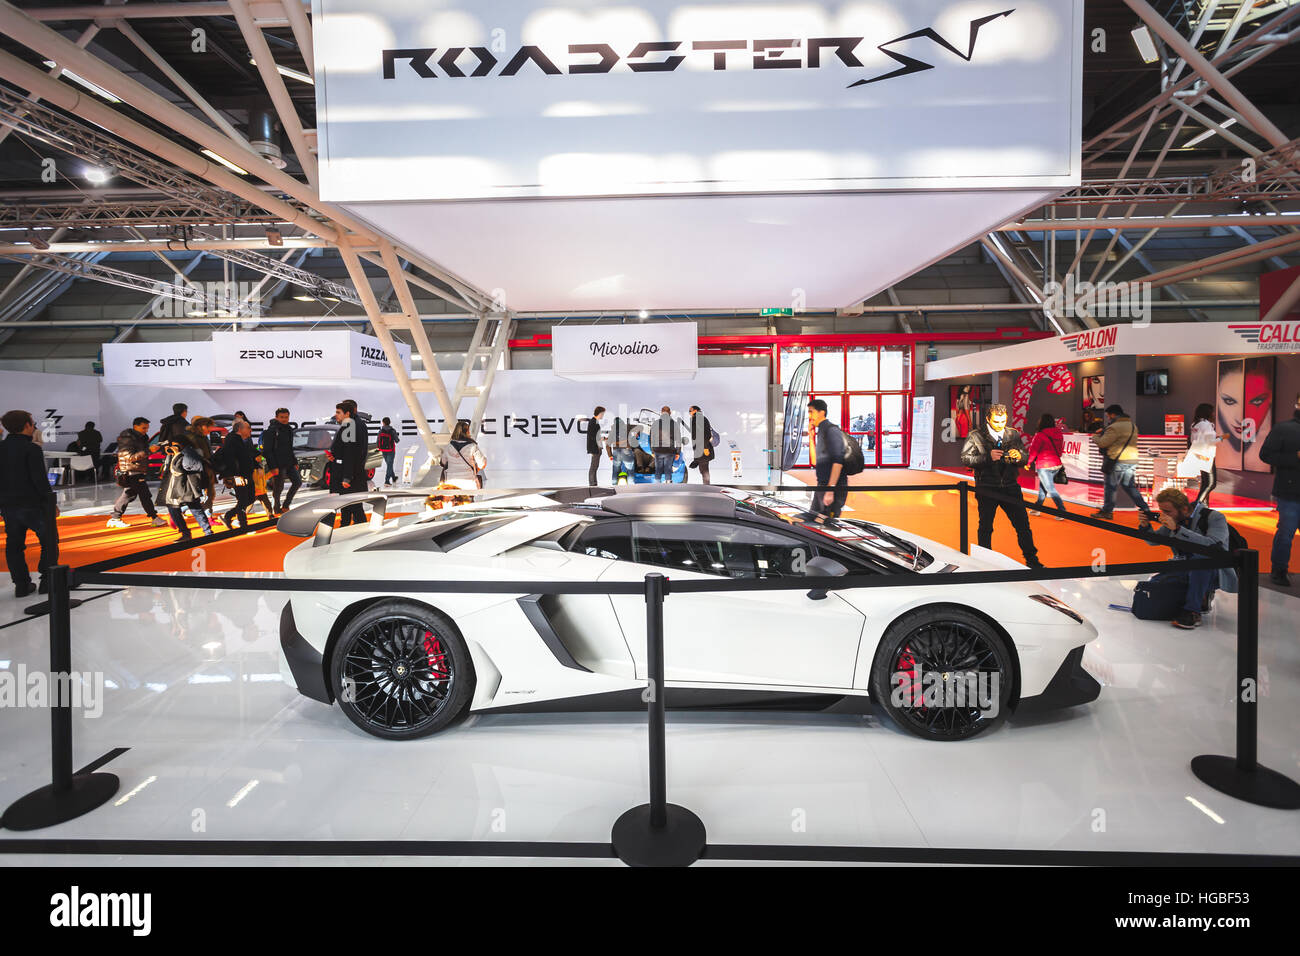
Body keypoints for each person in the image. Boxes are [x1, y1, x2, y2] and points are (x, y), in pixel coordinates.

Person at [1140, 488, 1239, 629]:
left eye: (1167, 511)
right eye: (1162, 510)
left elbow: (1213, 545)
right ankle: (1199, 596)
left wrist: (1178, 530)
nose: (1164, 515)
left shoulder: (1214, 517)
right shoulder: (1176, 518)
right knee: (1158, 583)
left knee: (1201, 560)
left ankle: (1192, 611)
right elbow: (1153, 541)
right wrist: (1145, 527)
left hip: (1214, 569)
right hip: (1185, 567)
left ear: (1185, 509)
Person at [959, 402, 1042, 569]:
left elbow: (1025, 458)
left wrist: (1019, 456)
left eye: (1003, 421)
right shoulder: (975, 435)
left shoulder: (1013, 434)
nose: (1000, 424)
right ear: (988, 419)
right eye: (996, 421)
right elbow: (966, 459)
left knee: (1023, 526)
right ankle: (984, 564)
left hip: (1011, 486)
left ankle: (1033, 562)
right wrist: (988, 457)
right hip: (987, 487)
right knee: (986, 527)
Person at [0, 409, 60, 597]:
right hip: (34, 505)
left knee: (14, 545)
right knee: (49, 541)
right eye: (32, 423)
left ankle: (21, 584)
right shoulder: (32, 449)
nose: (34, 426)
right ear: (27, 425)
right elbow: (40, 480)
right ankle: (47, 581)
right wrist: (51, 503)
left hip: (8, 505)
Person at [1258, 390, 1300, 587]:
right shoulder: (1284, 429)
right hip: (1290, 492)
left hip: (1289, 491)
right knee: (1286, 533)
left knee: (1285, 533)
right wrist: (1295, 458)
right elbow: (1265, 455)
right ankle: (1279, 570)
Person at [1092, 404, 1156, 521]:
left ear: (1113, 414)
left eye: (1108, 416)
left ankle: (1107, 511)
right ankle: (1145, 509)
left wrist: (1095, 436)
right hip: (1131, 460)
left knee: (1111, 487)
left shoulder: (1114, 427)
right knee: (1129, 487)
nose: (1108, 418)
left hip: (1117, 461)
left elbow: (1102, 443)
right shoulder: (1132, 426)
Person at [158, 417, 216, 541]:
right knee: (193, 508)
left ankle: (194, 533)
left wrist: (178, 455)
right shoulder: (192, 442)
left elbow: (190, 465)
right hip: (182, 486)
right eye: (208, 426)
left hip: (185, 485)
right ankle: (205, 532)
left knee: (192, 508)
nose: (210, 429)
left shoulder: (188, 450)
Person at [106, 417, 166, 529]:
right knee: (144, 495)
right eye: (144, 428)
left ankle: (115, 517)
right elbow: (130, 457)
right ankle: (154, 517)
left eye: (147, 428)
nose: (146, 430)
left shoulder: (142, 437)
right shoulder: (127, 439)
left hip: (137, 469)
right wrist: (149, 451)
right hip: (131, 470)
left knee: (129, 494)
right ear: (135, 426)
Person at [329, 399, 369, 527]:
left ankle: (360, 531)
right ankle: (345, 527)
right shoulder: (351, 425)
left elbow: (350, 453)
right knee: (347, 505)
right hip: (350, 472)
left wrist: (347, 476)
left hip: (348, 475)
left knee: (354, 506)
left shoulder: (350, 426)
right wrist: (335, 456)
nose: (336, 415)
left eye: (338, 412)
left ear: (347, 414)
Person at [807, 398, 849, 519]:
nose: (809, 416)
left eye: (811, 412)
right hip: (823, 486)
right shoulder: (822, 431)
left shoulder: (831, 430)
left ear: (822, 412)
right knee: (815, 520)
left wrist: (830, 491)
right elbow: (815, 462)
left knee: (826, 524)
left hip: (833, 488)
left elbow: (838, 462)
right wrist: (811, 437)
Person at [1025, 413, 1066, 519]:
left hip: (1044, 465)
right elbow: (1060, 450)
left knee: (1050, 488)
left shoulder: (1039, 435)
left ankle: (1062, 511)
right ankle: (1037, 508)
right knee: (1043, 488)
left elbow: (1033, 451)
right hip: (1056, 464)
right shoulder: (1059, 433)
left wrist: (1028, 463)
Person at [1180, 403, 1221, 506]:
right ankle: (1197, 504)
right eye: (1212, 411)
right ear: (1208, 412)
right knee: (1211, 483)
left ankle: (1204, 506)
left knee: (1205, 483)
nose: (1214, 414)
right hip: (1207, 456)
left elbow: (1194, 440)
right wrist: (1221, 438)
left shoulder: (1195, 424)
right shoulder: (1206, 424)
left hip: (1199, 455)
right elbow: (1209, 441)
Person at [219, 420, 257, 530]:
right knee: (243, 500)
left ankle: (229, 515)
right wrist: (236, 476)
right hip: (239, 476)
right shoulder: (232, 440)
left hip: (246, 474)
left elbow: (246, 457)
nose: (250, 430)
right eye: (248, 428)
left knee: (250, 498)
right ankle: (243, 525)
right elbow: (230, 460)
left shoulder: (242, 440)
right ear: (240, 429)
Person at [261, 407, 300, 513]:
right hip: (277, 464)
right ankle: (277, 509)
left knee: (297, 482)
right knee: (278, 488)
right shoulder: (271, 430)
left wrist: (294, 461)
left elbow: (289, 447)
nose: (284, 419)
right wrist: (273, 467)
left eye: (286, 417)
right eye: (282, 417)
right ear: (276, 417)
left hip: (289, 462)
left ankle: (286, 505)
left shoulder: (289, 429)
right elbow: (267, 451)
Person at [439, 419, 487, 490]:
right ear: (467, 432)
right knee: (469, 500)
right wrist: (476, 470)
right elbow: (482, 463)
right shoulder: (472, 446)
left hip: (451, 482)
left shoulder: (449, 446)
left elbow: (443, 462)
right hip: (469, 482)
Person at [649, 405, 680, 483]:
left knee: (658, 469)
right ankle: (668, 485)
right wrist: (678, 452)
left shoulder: (655, 423)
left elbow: (651, 438)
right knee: (668, 468)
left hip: (658, 450)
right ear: (670, 413)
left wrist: (652, 451)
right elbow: (678, 439)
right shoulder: (674, 424)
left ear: (661, 412)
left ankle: (657, 486)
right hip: (670, 450)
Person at [688, 405, 715, 484]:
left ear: (695, 410)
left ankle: (707, 487)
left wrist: (705, 448)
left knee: (704, 470)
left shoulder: (698, 419)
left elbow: (705, 435)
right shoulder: (700, 419)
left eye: (690, 410)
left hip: (703, 449)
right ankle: (706, 486)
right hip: (701, 448)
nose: (689, 412)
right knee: (703, 470)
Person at [606, 414, 636, 484]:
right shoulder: (626, 427)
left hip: (616, 452)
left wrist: (610, 455)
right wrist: (637, 433)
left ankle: (614, 486)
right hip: (626, 450)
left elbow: (608, 445)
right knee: (630, 470)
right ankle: (631, 487)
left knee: (615, 471)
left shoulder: (612, 431)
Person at [377, 416, 400, 486]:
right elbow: (397, 440)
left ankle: (393, 478)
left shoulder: (380, 431)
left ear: (383, 423)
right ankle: (387, 481)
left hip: (383, 450)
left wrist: (379, 448)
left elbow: (378, 441)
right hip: (391, 450)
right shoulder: (392, 430)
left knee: (389, 465)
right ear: (389, 423)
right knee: (390, 465)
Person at [586, 406, 605, 487]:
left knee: (595, 467)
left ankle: (594, 484)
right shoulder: (593, 422)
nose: (603, 415)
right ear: (600, 413)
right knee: (593, 467)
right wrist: (592, 450)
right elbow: (591, 436)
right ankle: (592, 484)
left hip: (597, 448)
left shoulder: (594, 421)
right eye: (603, 414)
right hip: (595, 448)